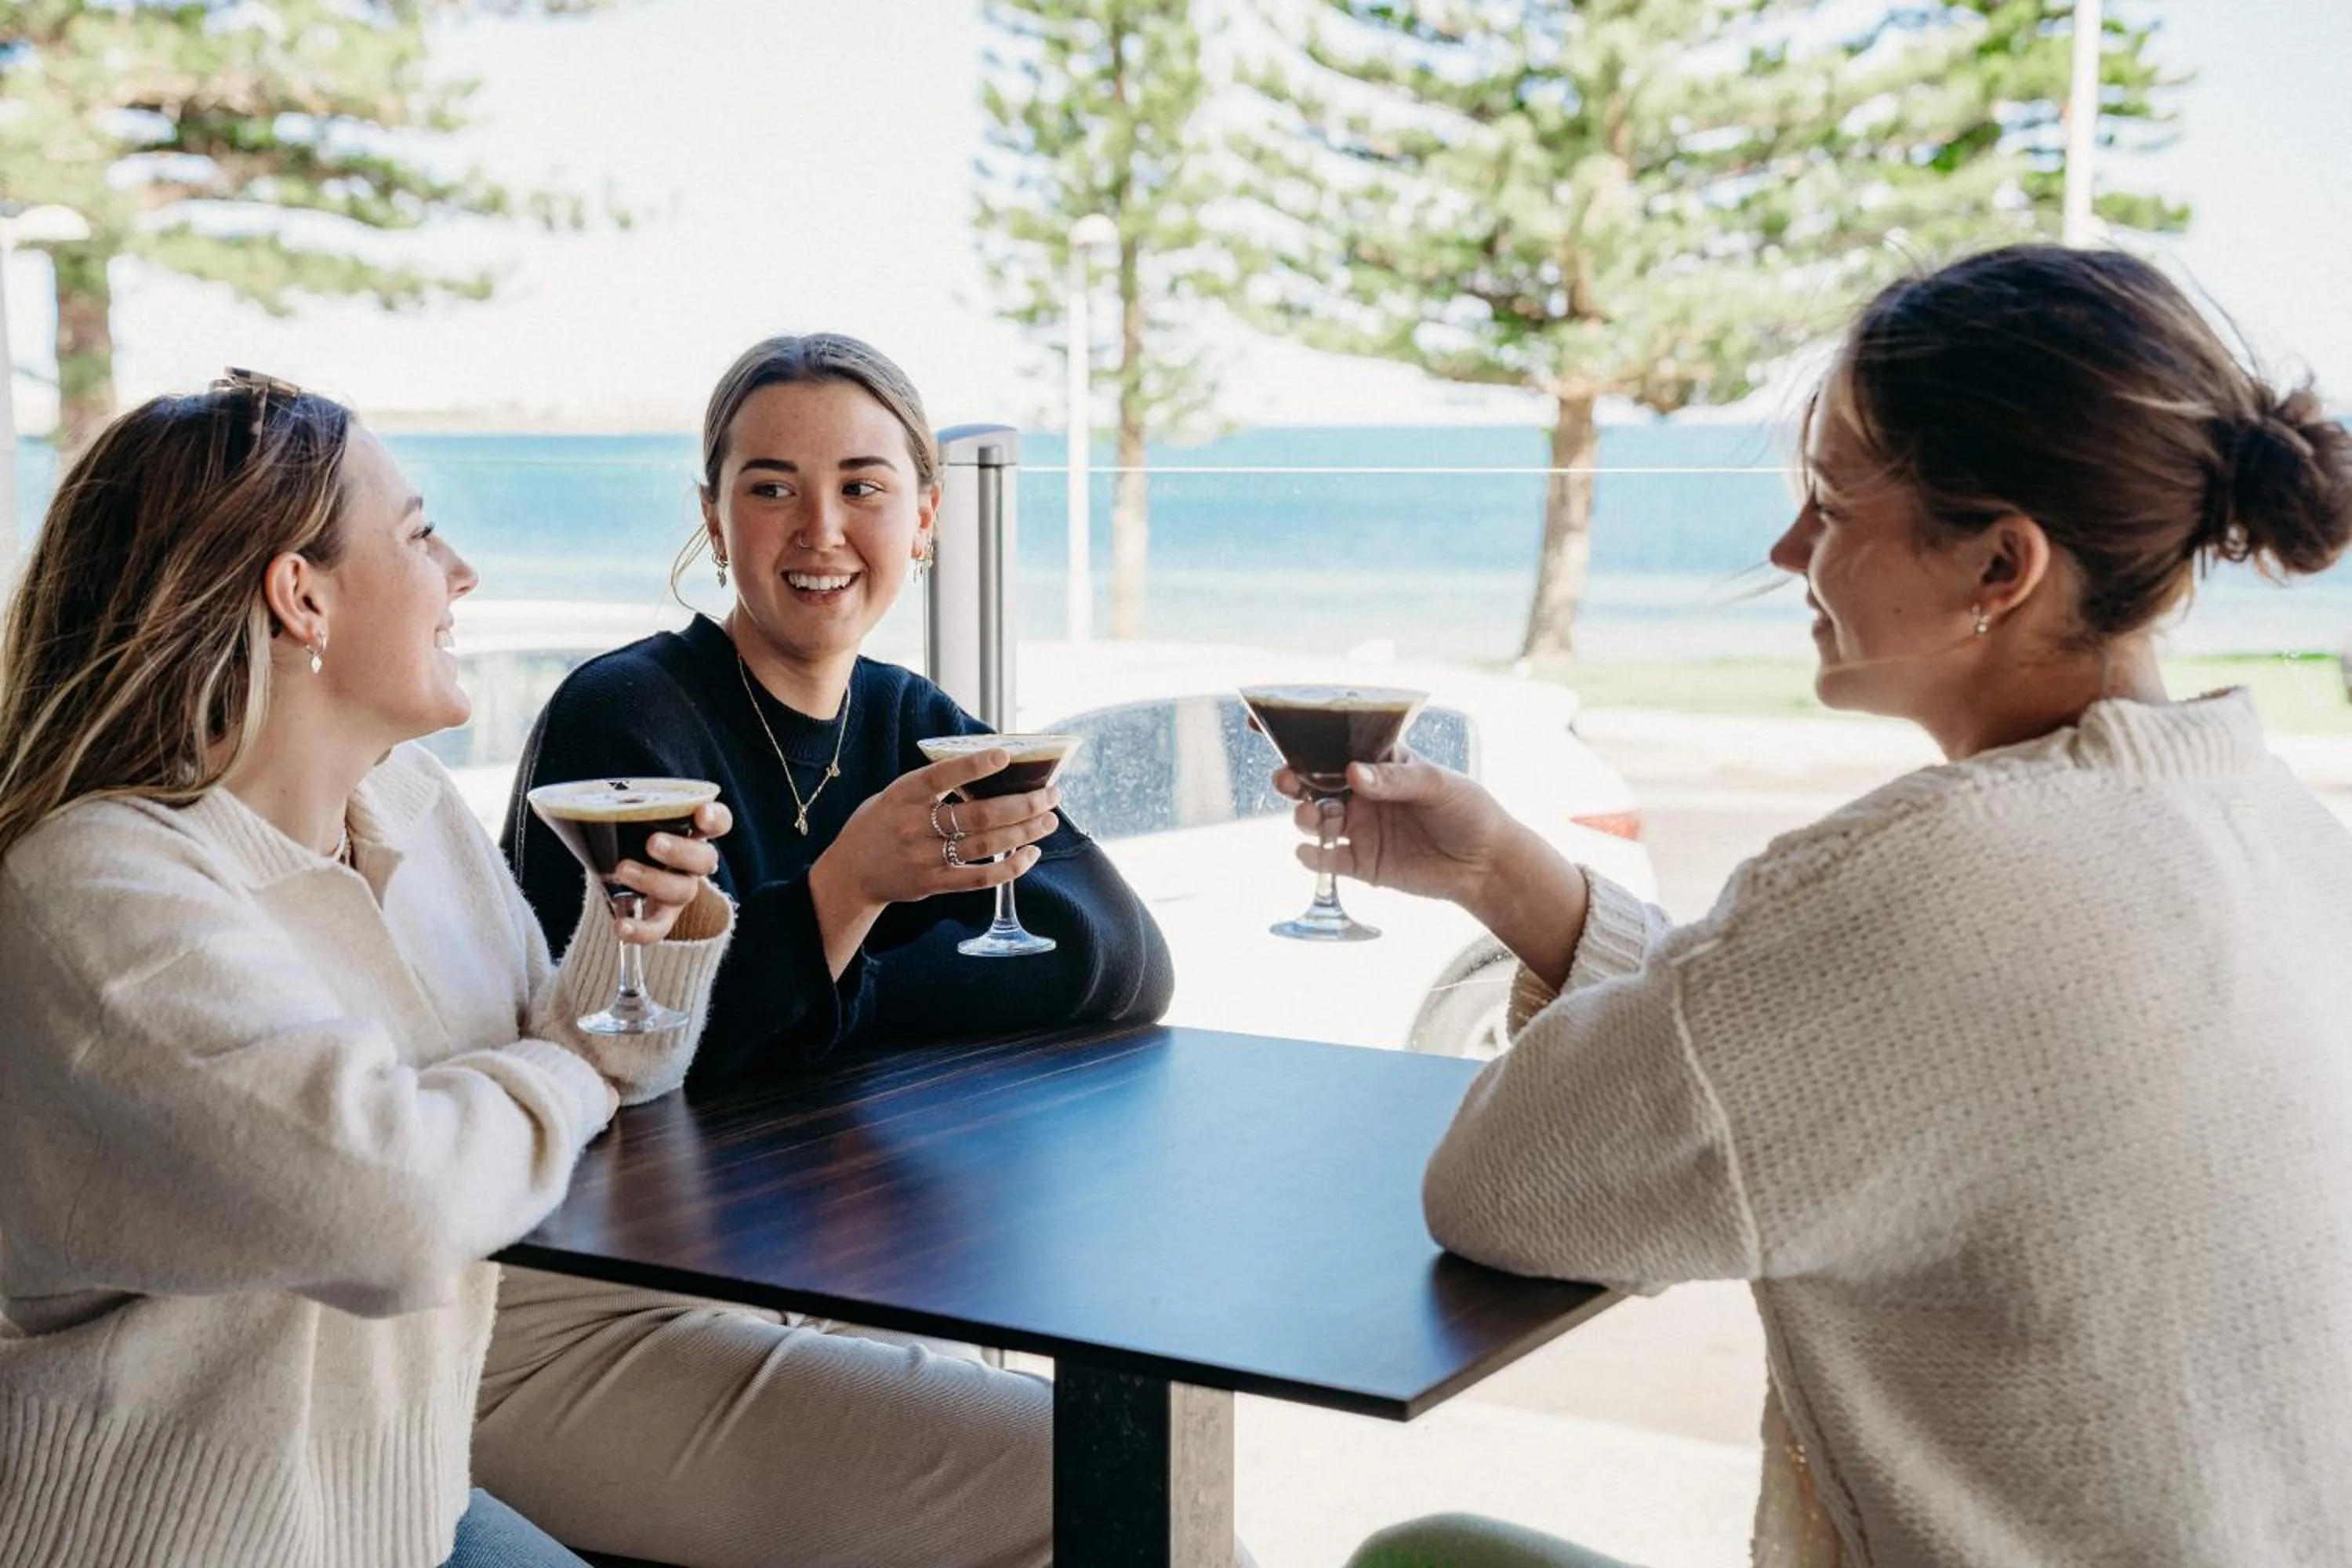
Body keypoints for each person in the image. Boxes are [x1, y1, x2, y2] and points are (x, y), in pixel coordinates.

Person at [1312, 246, 2352, 1568]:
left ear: (2000, 565)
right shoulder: (2278, 830)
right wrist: (1508, 876)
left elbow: (1503, 1186)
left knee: (1427, 1560)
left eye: (1831, 504)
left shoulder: (1937, 879)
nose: (1788, 549)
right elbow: (1788, 1063)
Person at [0, 371, 734, 1568]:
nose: (462, 575)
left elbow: (598, 1064)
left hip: (406, 1517)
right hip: (171, 1541)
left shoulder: (403, 801)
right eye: (421, 534)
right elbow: (394, 1203)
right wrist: (565, 1064)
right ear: (300, 597)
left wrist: (642, 938)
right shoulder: (93, 886)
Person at [476, 334, 1178, 1568]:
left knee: (1123, 1451)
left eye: (862, 486)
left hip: (820, 1265)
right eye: (770, 487)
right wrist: (849, 893)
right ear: (712, 514)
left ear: (927, 519)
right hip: (603, 1298)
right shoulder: (627, 715)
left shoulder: (911, 718)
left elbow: (1113, 958)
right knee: (1103, 1473)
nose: (820, 530)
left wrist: (832, 984)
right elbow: (637, 1058)